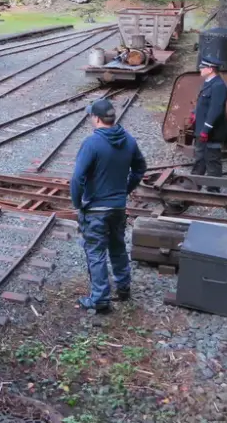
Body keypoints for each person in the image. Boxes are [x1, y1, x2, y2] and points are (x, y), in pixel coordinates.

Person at [70, 98, 147, 312]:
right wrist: (125, 189)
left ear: (96, 118)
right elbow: (140, 168)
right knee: (118, 246)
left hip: (95, 209)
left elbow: (77, 178)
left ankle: (100, 299)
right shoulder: (128, 140)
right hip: (118, 207)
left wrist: (78, 203)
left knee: (95, 252)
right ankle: (123, 287)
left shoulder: (91, 143)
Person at [191, 57, 227, 178]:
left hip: (212, 131)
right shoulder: (208, 83)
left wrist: (206, 129)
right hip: (201, 129)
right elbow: (202, 102)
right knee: (200, 157)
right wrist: (194, 113)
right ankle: (195, 184)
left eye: (203, 67)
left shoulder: (219, 85)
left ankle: (213, 189)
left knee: (212, 159)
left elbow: (216, 109)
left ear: (211, 69)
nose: (200, 69)